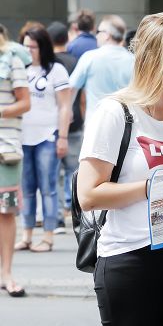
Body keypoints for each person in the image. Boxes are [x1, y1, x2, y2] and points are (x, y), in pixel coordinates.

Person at [76, 13, 163, 326]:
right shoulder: (116, 112)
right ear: (149, 60)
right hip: (129, 258)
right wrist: (153, 185)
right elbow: (87, 195)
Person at [14, 27, 71, 253]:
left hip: (48, 135)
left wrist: (63, 137)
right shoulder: (20, 68)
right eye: (25, 46)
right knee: (26, 188)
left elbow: (65, 106)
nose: (29, 50)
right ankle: (26, 235)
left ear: (43, 47)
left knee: (48, 188)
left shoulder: (56, 70)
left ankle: (48, 236)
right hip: (21, 137)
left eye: (33, 47)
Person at [0, 24, 30, 297]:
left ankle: (7, 274)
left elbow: (25, 102)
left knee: (5, 213)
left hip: (5, 150)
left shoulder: (12, 60)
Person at [47, 21, 81, 234]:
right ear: (66, 39)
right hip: (77, 122)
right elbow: (82, 95)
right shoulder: (76, 61)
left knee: (56, 173)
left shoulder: (49, 64)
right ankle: (74, 211)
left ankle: (59, 216)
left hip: (55, 124)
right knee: (74, 171)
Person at [69, 14, 134, 122]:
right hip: (125, 124)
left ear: (107, 35)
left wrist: (68, 110)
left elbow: (71, 88)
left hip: (95, 122)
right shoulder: (133, 60)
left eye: (98, 32)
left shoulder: (90, 57)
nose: (96, 36)